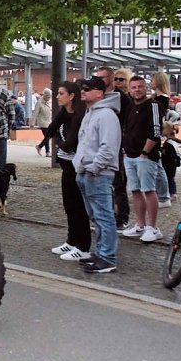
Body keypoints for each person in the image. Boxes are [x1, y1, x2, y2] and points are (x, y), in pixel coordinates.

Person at [72, 76, 121, 273]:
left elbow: (108, 147)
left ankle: (107, 257)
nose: (83, 91)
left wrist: (94, 168)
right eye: (83, 88)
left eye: (88, 88)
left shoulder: (106, 115)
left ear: (99, 93)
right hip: (87, 171)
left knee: (103, 216)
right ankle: (102, 253)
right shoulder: (91, 113)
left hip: (98, 173)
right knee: (96, 216)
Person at [46, 81, 91, 261]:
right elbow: (49, 130)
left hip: (76, 165)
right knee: (69, 204)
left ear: (72, 96)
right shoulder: (64, 113)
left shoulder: (79, 116)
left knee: (78, 206)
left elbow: (69, 144)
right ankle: (72, 240)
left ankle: (83, 246)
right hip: (66, 163)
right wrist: (58, 138)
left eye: (61, 93)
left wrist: (57, 140)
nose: (57, 97)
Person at [121, 76, 164, 243]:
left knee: (149, 190)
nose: (137, 90)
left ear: (145, 88)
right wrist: (125, 150)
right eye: (133, 87)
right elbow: (126, 128)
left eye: (140, 86)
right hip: (130, 156)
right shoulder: (130, 107)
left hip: (145, 156)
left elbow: (156, 131)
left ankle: (152, 228)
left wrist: (145, 153)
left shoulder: (153, 105)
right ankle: (140, 224)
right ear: (129, 90)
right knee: (135, 190)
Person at [99, 66, 132, 230]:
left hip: (117, 143)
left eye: (103, 77)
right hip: (101, 142)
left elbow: (127, 121)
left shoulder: (122, 98)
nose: (100, 81)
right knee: (102, 180)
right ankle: (106, 214)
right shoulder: (98, 95)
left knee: (118, 181)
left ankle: (122, 217)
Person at [150, 71, 173, 208]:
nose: (150, 83)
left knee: (158, 167)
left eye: (152, 80)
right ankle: (162, 195)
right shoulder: (157, 98)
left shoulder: (161, 99)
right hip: (155, 133)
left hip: (155, 134)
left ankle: (164, 196)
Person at [160, 121, 180, 203]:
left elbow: (170, 154)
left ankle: (173, 194)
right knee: (170, 178)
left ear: (166, 130)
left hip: (169, 164)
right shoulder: (172, 141)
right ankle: (172, 193)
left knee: (169, 178)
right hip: (172, 163)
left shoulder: (169, 143)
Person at [32, 88, 53, 156]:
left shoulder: (51, 101)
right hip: (42, 122)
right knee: (47, 136)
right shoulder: (39, 102)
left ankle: (39, 146)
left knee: (49, 136)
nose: (48, 98)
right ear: (44, 95)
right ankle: (47, 152)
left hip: (50, 121)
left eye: (50, 96)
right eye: (47, 96)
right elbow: (35, 113)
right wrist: (32, 123)